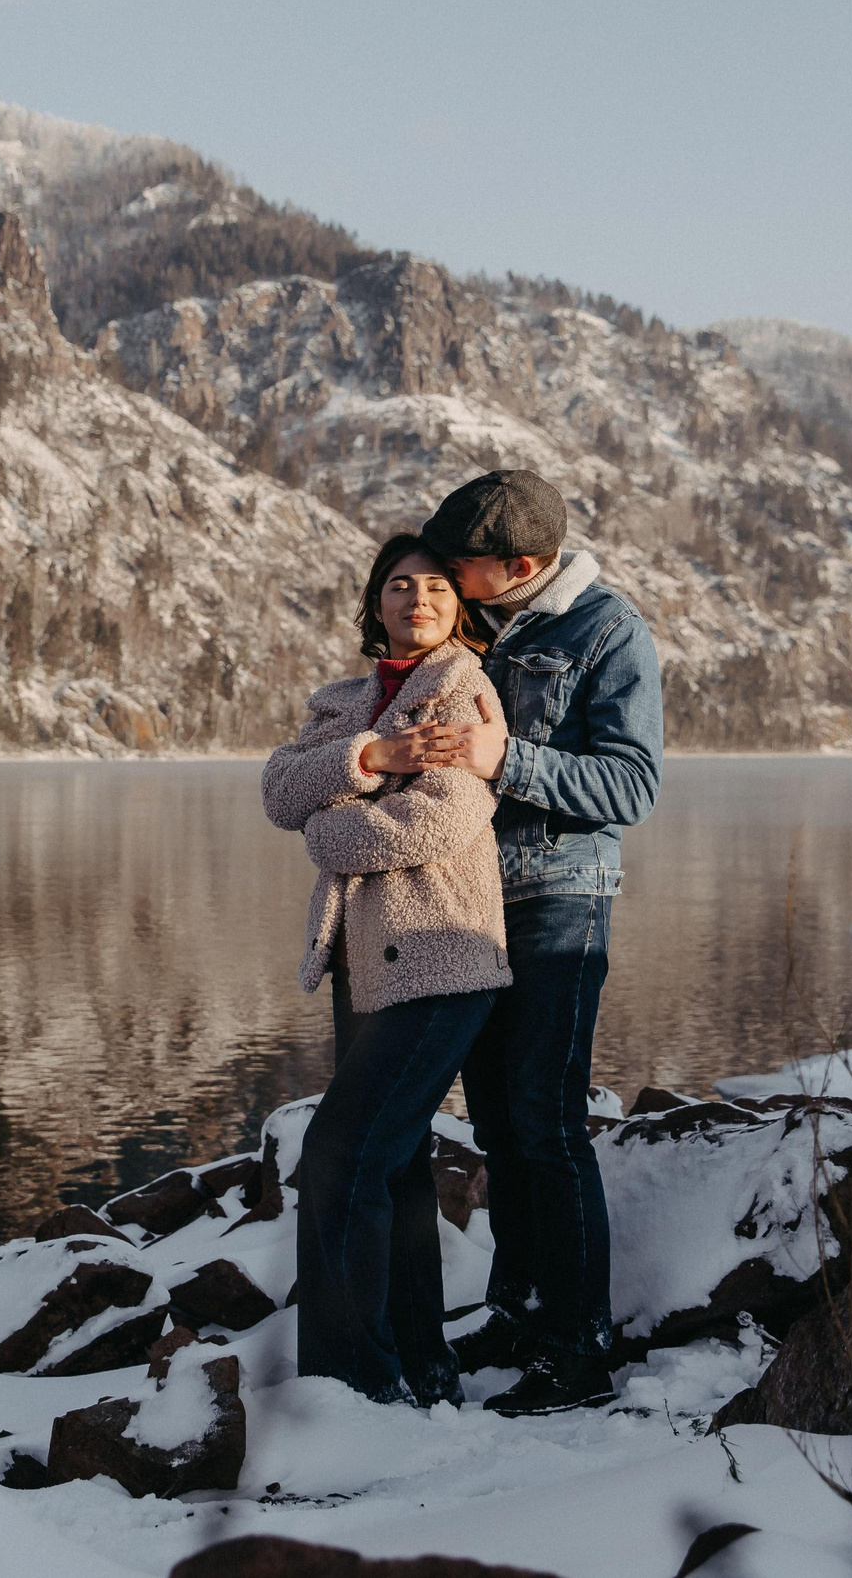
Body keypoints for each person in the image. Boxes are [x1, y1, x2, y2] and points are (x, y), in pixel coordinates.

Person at [396, 469, 664, 1416]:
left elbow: (632, 785)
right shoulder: (480, 625)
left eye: (459, 561)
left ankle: (579, 1346)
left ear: (518, 565)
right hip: (473, 899)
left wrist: (505, 758)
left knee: (547, 1122)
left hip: (560, 898)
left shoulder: (609, 630)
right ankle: (518, 1310)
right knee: (499, 1124)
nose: (443, 572)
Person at [261, 533, 513, 1406]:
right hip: (363, 964)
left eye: (437, 585)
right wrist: (375, 757)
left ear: (459, 604)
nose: (419, 599)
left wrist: (330, 826)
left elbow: (437, 821)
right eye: (400, 585)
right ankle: (420, 1366)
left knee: (339, 1156)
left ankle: (347, 1385)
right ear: (377, 602)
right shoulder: (346, 702)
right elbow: (280, 791)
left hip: (442, 959)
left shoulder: (465, 689)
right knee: (396, 1167)